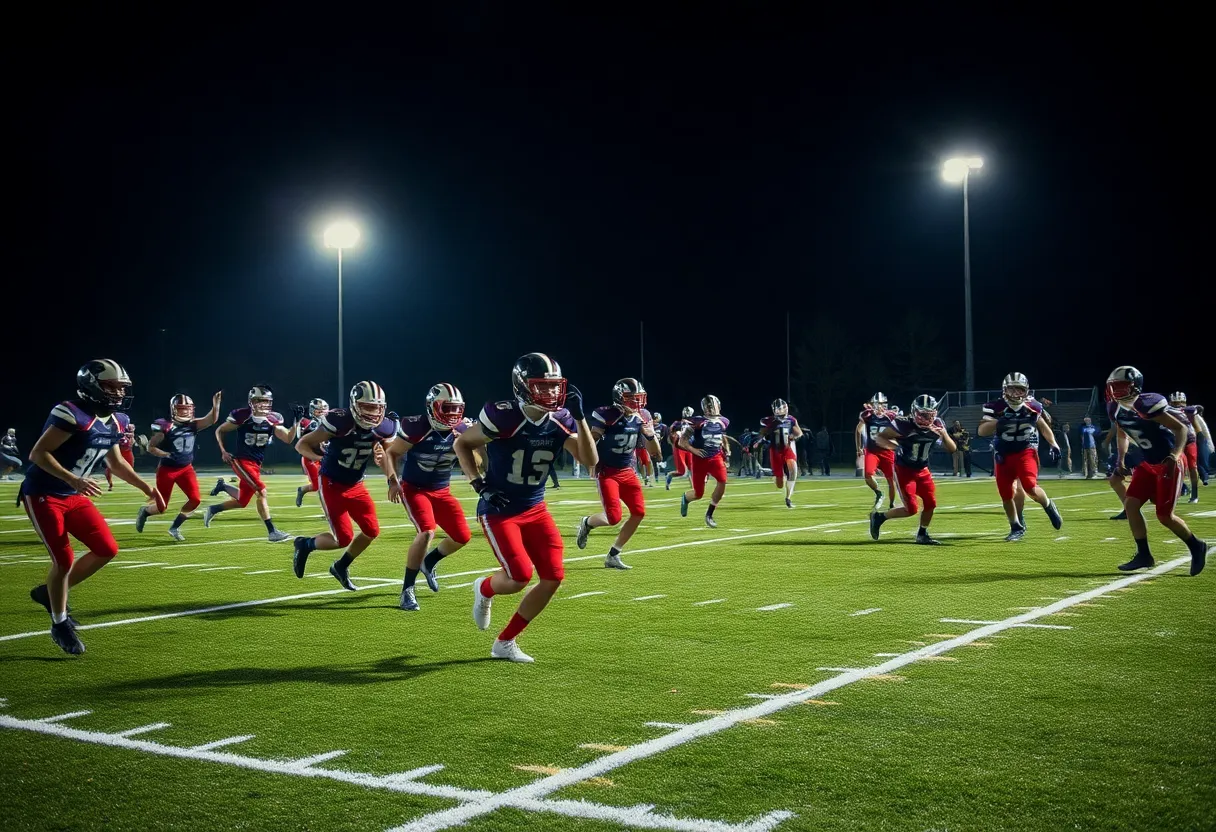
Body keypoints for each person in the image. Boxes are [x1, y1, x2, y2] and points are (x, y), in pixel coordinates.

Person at [453, 352, 598, 663]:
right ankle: (485, 588)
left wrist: (582, 418)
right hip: (500, 509)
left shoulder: (561, 420)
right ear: (522, 386)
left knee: (553, 576)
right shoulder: (502, 416)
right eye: (542, 387)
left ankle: (505, 642)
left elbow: (590, 461)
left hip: (536, 507)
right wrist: (479, 484)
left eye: (554, 386)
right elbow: (461, 443)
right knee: (518, 576)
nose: (550, 393)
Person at [22, 360, 165, 654]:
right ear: (90, 385)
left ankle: (48, 593)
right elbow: (38, 453)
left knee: (106, 548)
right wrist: (73, 479)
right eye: (110, 387)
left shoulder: (114, 420)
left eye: (121, 388)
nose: (117, 393)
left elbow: (117, 463)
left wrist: (147, 487)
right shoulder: (71, 413)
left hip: (73, 494)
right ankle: (59, 622)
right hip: (44, 493)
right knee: (63, 559)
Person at [291, 382, 396, 590]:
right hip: (332, 482)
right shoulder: (339, 422)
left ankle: (341, 566)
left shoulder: (384, 427)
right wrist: (318, 459)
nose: (373, 412)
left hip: (356, 484)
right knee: (343, 538)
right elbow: (301, 444)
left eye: (377, 407)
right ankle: (305, 544)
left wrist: (392, 479)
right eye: (367, 406)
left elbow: (389, 456)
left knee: (372, 530)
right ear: (355, 405)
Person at [382, 383, 475, 610]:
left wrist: (469, 444)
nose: (452, 414)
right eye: (447, 408)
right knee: (426, 532)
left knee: (462, 536)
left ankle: (429, 561)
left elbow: (477, 463)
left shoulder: (462, 430)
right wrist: (393, 482)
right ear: (432, 407)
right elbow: (391, 453)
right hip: (415, 489)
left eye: (456, 409)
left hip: (442, 490)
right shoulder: (416, 427)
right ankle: (407, 590)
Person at [1106, 366, 1207, 575]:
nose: (1116, 391)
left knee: (1164, 516)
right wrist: (1121, 460)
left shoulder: (1147, 404)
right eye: (1114, 386)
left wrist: (1175, 455)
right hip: (1147, 462)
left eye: (1122, 386)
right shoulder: (1114, 409)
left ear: (1135, 386)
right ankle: (1144, 555)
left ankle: (1196, 545)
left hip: (1168, 462)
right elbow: (1123, 433)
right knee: (1131, 505)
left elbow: (1180, 428)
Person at [576, 378, 661, 569]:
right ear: (619, 398)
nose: (635, 403)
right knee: (613, 518)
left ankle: (614, 554)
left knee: (639, 512)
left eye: (638, 398)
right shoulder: (606, 414)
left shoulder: (643, 415)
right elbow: (591, 442)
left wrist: (649, 434)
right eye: (630, 398)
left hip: (628, 471)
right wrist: (592, 462)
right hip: (608, 472)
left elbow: (655, 452)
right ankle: (587, 522)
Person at [977, 372, 1064, 541]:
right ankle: (1016, 526)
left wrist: (1054, 444)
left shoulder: (1033, 405)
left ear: (1026, 391)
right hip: (1003, 452)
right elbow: (981, 431)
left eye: (1020, 390)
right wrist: (999, 421)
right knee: (1006, 493)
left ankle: (1048, 505)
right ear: (1005, 390)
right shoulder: (995, 406)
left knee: (1030, 486)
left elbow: (1044, 427)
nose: (1016, 394)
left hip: (1025, 450)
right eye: (1012, 389)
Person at [204, 385, 296, 542]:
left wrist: (296, 422)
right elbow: (220, 430)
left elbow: (288, 438)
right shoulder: (242, 417)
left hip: (256, 463)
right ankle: (272, 532)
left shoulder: (272, 419)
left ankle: (214, 508)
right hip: (241, 461)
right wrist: (223, 451)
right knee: (261, 492)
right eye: (259, 401)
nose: (263, 404)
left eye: (266, 401)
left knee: (242, 501)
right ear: (251, 402)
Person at [135, 391, 223, 540]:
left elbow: (211, 420)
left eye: (187, 408)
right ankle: (145, 511)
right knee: (161, 507)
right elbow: (151, 447)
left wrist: (216, 404)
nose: (185, 411)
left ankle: (175, 528)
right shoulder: (166, 427)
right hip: (167, 470)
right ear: (174, 409)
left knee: (195, 500)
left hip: (186, 469)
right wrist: (165, 454)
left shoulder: (193, 425)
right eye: (182, 408)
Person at [869, 395, 955, 545]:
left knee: (931, 503)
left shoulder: (937, 424)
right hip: (904, 469)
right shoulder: (903, 424)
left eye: (930, 414)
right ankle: (879, 517)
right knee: (911, 509)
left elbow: (952, 448)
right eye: (922, 414)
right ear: (914, 412)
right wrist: (897, 446)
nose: (926, 417)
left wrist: (944, 434)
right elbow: (880, 438)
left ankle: (922, 534)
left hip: (923, 469)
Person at [677, 395, 730, 528]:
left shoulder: (724, 421)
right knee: (698, 493)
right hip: (700, 459)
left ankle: (709, 514)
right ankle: (686, 498)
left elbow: (722, 437)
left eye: (712, 405)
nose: (710, 408)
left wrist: (726, 450)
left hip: (716, 456)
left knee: (723, 481)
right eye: (708, 406)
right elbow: (681, 441)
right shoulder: (697, 421)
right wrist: (693, 450)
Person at [856, 393, 898, 510]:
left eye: (881, 404)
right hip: (872, 451)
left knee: (891, 480)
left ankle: (891, 504)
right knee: (868, 474)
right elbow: (858, 430)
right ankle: (879, 493)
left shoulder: (891, 416)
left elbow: (900, 431)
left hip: (887, 452)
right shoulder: (867, 416)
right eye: (877, 404)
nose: (879, 407)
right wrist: (858, 447)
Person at [760, 398, 803, 508]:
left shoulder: (791, 420)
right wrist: (761, 439)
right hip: (775, 450)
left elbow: (799, 432)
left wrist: (794, 436)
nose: (784, 409)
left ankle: (788, 498)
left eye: (784, 407)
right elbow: (762, 433)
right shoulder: (769, 420)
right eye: (781, 408)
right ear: (775, 410)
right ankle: (772, 474)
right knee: (780, 484)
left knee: (793, 469)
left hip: (787, 448)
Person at [1169, 392, 1210, 504]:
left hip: (1189, 440)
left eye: (1181, 402)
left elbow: (1197, 428)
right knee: (1173, 466)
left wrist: (1201, 441)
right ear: (1171, 403)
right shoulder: (1167, 411)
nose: (1179, 405)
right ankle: (1180, 490)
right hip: (1175, 441)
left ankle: (1195, 494)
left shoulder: (1189, 411)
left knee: (1192, 467)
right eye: (1176, 403)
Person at [294, 398, 329, 507]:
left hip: (325, 458)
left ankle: (302, 489)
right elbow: (300, 439)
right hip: (311, 459)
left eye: (323, 410)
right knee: (319, 486)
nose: (322, 413)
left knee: (323, 485)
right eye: (319, 410)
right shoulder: (308, 423)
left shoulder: (330, 423)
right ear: (312, 411)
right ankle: (328, 511)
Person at [665, 406, 695, 489]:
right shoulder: (677, 423)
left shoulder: (693, 424)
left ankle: (693, 486)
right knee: (681, 472)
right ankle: (669, 476)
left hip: (688, 447)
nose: (687, 414)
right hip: (679, 448)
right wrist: (673, 442)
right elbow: (670, 435)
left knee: (692, 468)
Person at [104, 420, 138, 491]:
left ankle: (133, 481)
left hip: (127, 450)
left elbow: (132, 438)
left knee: (130, 469)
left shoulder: (129, 428)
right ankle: (110, 484)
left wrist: (128, 435)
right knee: (109, 469)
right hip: (117, 451)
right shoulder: (113, 428)